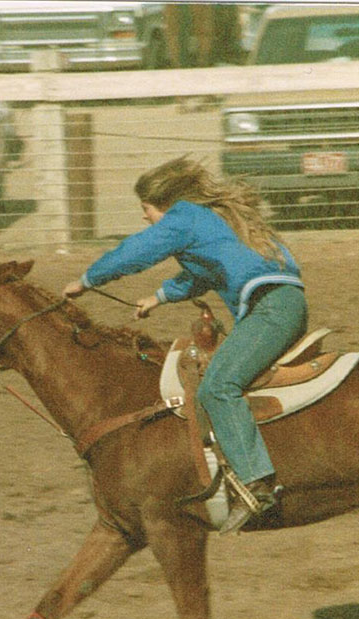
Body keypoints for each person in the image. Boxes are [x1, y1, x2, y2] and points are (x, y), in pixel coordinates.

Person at [61, 157, 307, 535]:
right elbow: (201, 275)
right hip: (278, 304)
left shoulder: (183, 217)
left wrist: (88, 280)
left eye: (145, 209)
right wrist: (157, 298)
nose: (144, 217)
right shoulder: (206, 221)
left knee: (218, 386)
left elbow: (138, 250)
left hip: (271, 309)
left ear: (162, 203)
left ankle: (257, 483)